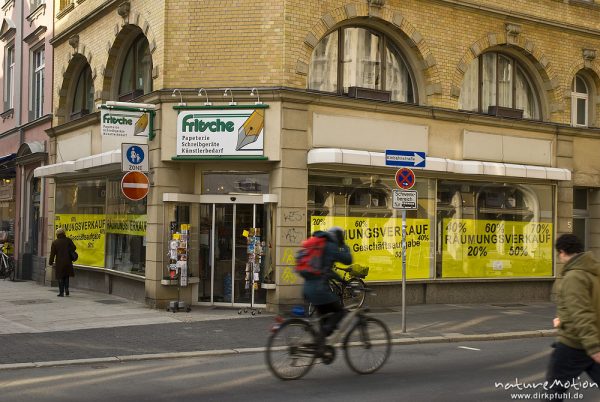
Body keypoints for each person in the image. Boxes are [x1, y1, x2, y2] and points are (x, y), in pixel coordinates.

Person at [546, 233, 600, 400]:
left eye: (559, 254)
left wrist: (593, 347)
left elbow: (581, 313)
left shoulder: (574, 276)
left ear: (562, 252)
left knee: (553, 392)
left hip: (574, 344)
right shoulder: (593, 272)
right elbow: (588, 304)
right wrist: (563, 318)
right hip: (593, 339)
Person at [302, 226, 352, 351]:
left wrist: (341, 280)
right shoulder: (331, 247)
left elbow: (328, 272)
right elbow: (348, 259)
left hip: (307, 288)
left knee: (325, 318)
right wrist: (344, 245)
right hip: (319, 290)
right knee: (339, 312)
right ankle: (318, 340)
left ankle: (320, 346)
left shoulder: (320, 246)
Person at [49, 227, 76, 297]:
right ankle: (66, 289)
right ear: (64, 233)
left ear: (57, 234)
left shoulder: (55, 242)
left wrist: (50, 262)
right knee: (66, 276)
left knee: (60, 277)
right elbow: (74, 247)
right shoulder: (68, 240)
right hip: (68, 261)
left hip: (59, 262)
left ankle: (61, 292)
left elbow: (52, 254)